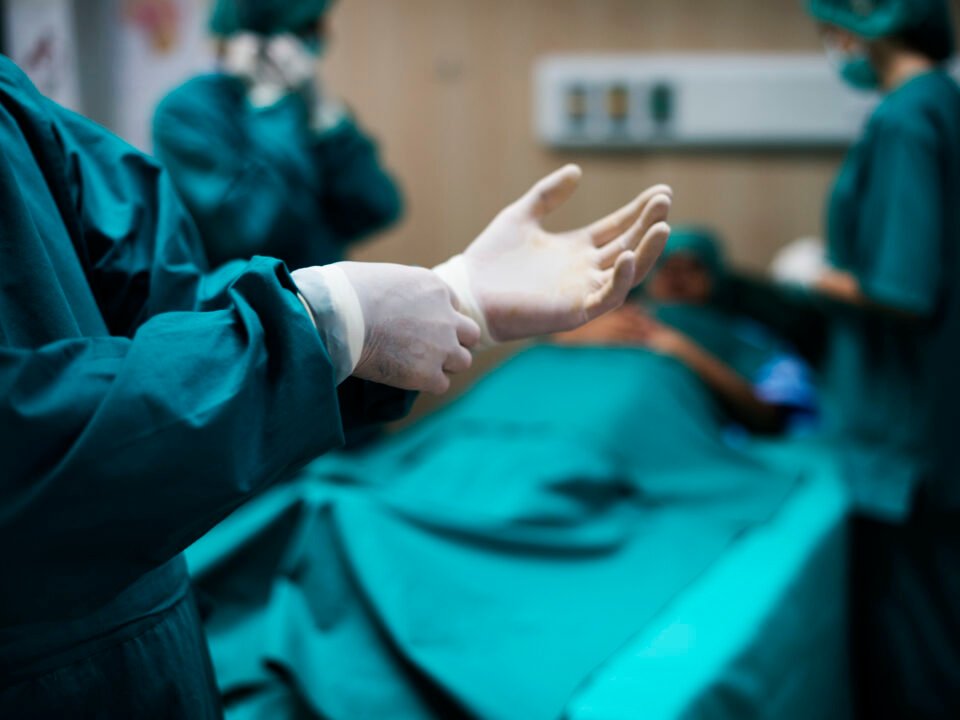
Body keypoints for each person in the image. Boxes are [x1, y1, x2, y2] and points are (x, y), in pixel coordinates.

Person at [0, 52, 672, 716]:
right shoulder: (195, 113)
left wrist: (456, 296)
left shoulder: (12, 100)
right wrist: (319, 325)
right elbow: (246, 223)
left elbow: (168, 304)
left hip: (241, 444)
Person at [722, 1, 960, 715]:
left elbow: (904, 289)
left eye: (836, 23)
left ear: (871, 22)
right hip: (932, 418)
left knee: (916, 648)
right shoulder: (942, 105)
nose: (835, 43)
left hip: (902, 440)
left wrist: (813, 274)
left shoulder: (903, 120)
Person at [153, 0, 402, 270]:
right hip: (243, 306)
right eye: (306, 28)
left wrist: (324, 115)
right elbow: (246, 233)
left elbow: (378, 207)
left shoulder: (301, 104)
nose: (320, 37)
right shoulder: (187, 111)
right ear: (260, 41)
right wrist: (268, 107)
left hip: (320, 298)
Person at [557, 227, 817, 435]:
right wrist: (579, 335)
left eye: (692, 267)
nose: (677, 277)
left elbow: (772, 418)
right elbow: (545, 356)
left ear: (716, 276)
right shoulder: (606, 319)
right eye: (665, 266)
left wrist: (684, 352)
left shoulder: (746, 336)